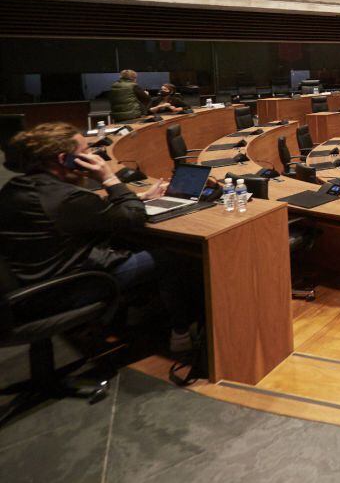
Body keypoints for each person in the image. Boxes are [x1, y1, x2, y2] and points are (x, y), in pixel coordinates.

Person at [0, 122, 199, 351]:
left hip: (26, 288)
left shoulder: (15, 188)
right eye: (85, 151)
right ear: (65, 159)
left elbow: (86, 212)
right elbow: (133, 217)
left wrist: (140, 196)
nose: (94, 155)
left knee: (127, 242)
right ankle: (181, 335)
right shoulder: (67, 198)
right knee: (169, 257)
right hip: (65, 290)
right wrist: (110, 178)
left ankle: (138, 315)